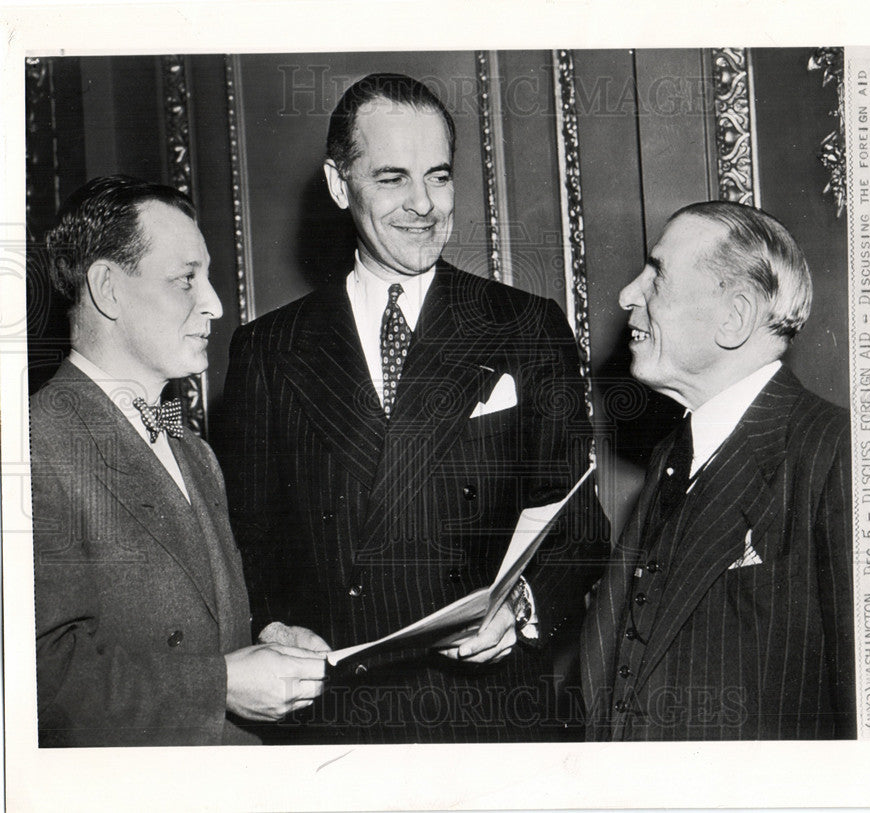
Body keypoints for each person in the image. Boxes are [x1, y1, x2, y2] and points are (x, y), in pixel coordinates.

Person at [217, 73, 607, 743]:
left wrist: (520, 609)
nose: (424, 204)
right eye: (393, 178)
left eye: (440, 176)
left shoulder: (524, 325)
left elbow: (579, 525)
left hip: (489, 721)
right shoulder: (269, 350)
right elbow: (245, 541)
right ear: (341, 185)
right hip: (336, 724)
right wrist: (268, 624)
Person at [31, 176, 329, 747]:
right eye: (186, 279)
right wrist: (219, 684)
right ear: (108, 289)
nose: (215, 304)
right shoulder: (34, 447)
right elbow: (39, 684)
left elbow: (202, 615)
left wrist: (267, 640)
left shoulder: (194, 450)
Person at [580, 201, 855, 740]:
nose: (627, 295)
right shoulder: (672, 457)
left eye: (656, 274)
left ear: (734, 317)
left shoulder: (837, 453)